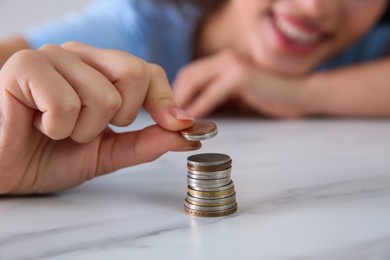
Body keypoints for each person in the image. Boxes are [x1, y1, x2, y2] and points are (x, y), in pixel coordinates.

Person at [0, 0, 389, 194]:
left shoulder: (366, 47)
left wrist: (302, 94)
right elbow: (13, 64)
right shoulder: (139, 24)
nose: (315, 7)